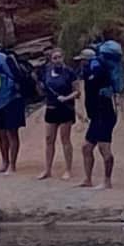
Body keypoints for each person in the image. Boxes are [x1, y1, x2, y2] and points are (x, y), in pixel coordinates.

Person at [80, 46, 117, 190]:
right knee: (86, 147)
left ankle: (107, 181)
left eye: (82, 60)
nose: (80, 63)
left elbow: (97, 81)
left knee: (104, 148)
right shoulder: (91, 70)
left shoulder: (97, 69)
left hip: (104, 114)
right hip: (96, 115)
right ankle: (87, 179)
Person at [38, 46, 77, 180]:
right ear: (51, 60)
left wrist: (66, 98)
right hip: (51, 107)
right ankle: (47, 169)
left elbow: (77, 91)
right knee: (49, 139)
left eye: (59, 57)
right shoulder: (47, 72)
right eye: (55, 58)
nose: (57, 60)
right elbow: (42, 89)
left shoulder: (69, 72)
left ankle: (68, 169)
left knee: (65, 139)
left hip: (65, 108)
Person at [0, 45, 25, 175]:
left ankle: (12, 165)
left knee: (11, 133)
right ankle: (5, 162)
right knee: (1, 133)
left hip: (12, 99)